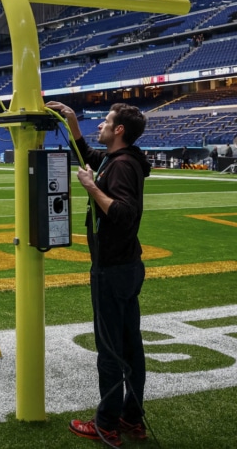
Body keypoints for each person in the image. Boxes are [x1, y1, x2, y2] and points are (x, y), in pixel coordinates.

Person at [46, 102, 151, 447]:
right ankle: (131, 418)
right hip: (127, 266)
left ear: (120, 130)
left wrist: (91, 188)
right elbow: (91, 156)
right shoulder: (121, 160)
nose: (101, 126)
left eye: (106, 121)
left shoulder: (121, 167)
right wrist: (72, 122)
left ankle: (106, 424)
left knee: (110, 351)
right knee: (131, 347)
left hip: (112, 269)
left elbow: (121, 212)